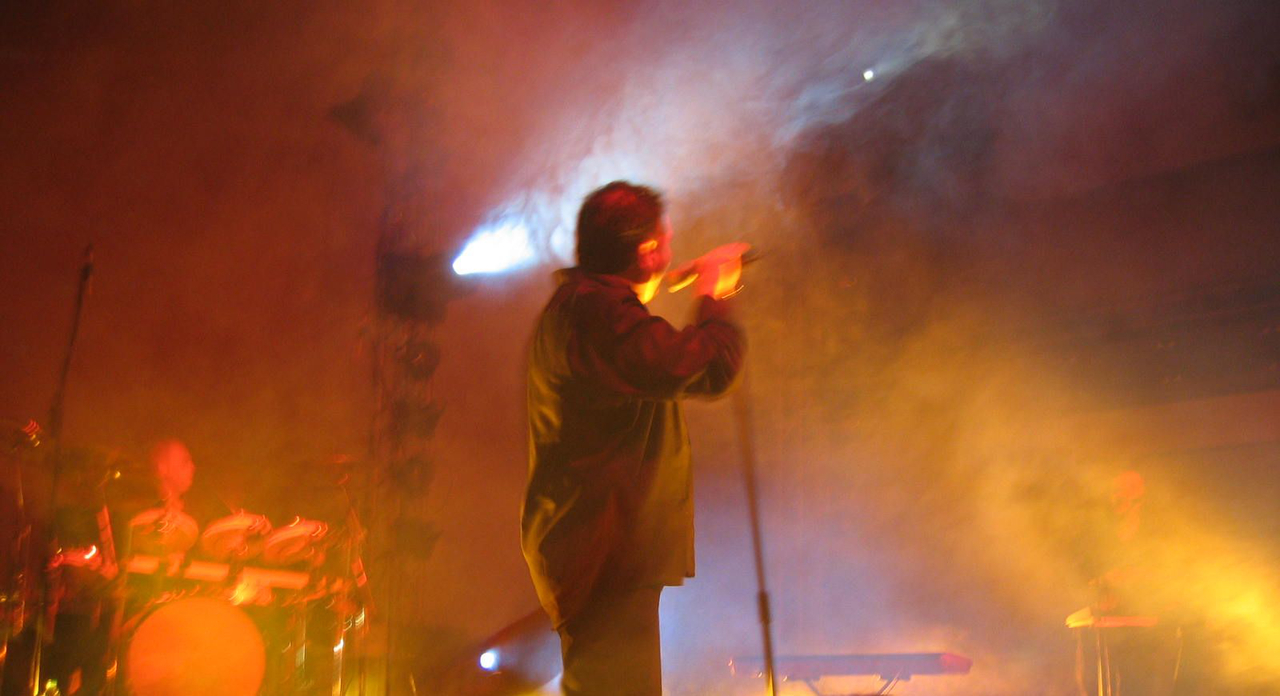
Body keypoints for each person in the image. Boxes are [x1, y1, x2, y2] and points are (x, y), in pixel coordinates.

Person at [521, 181, 747, 695]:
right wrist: (713, 292)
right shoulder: (596, 313)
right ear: (647, 251)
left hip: (598, 551)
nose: (670, 254)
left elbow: (655, 357)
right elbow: (709, 365)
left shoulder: (585, 309)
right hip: (602, 553)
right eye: (665, 244)